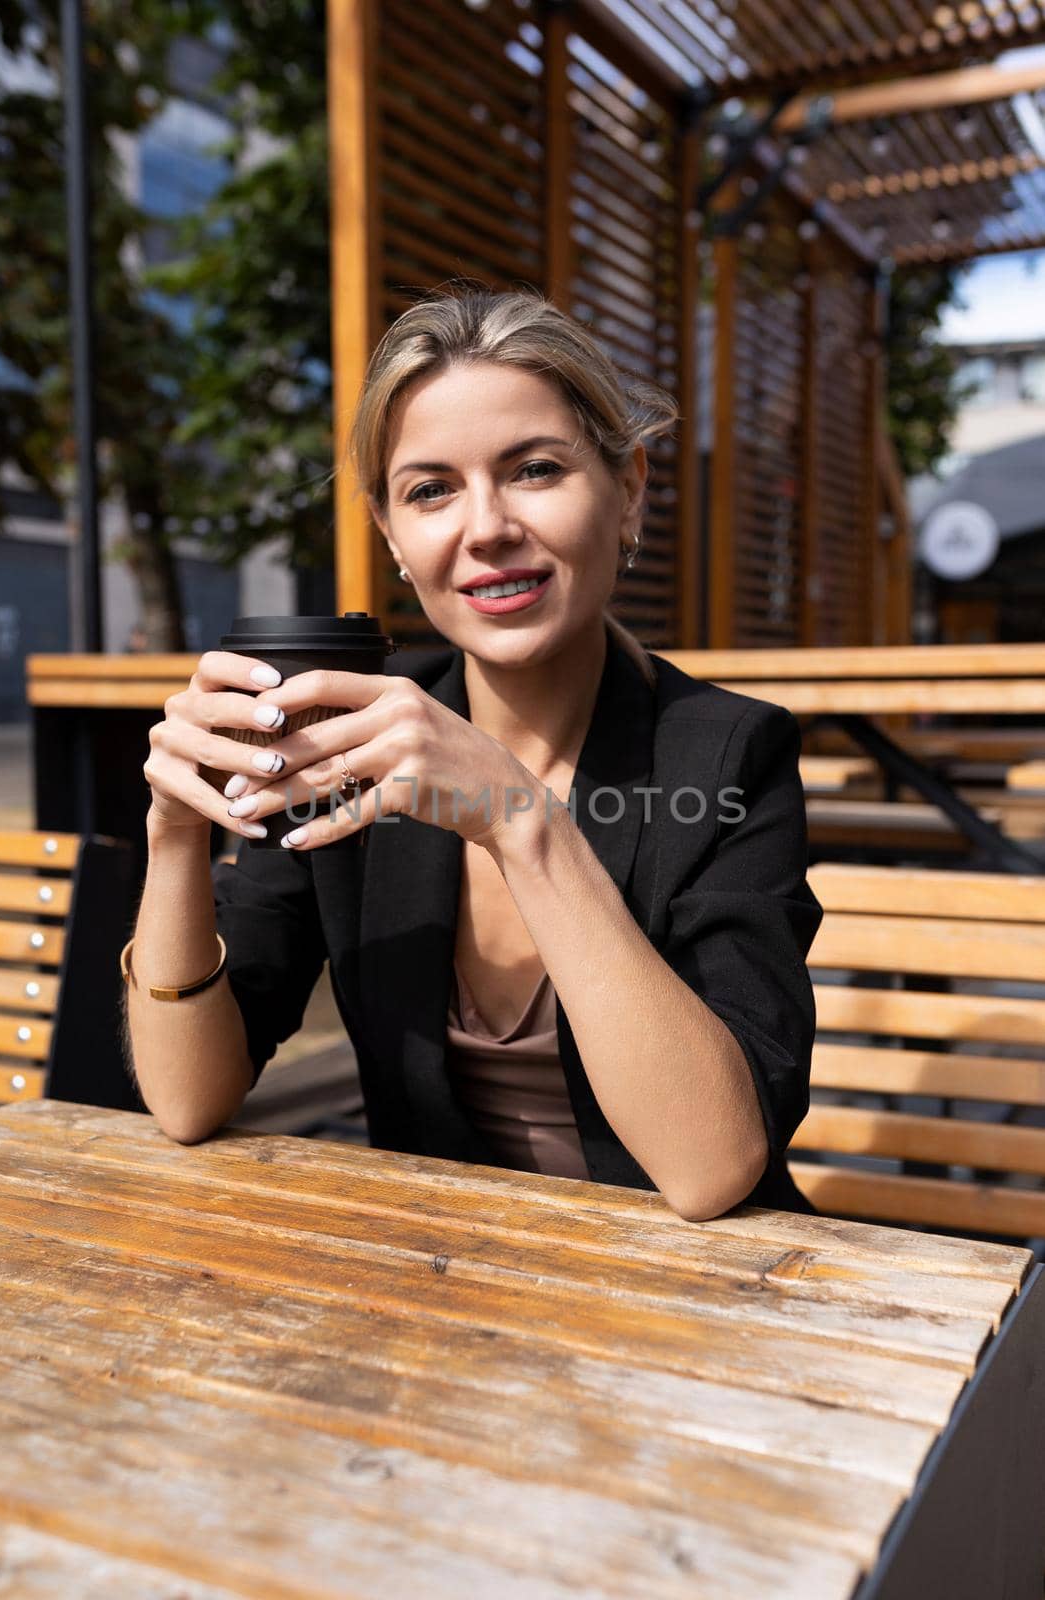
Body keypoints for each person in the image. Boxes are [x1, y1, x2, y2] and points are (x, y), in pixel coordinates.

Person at [124, 285, 823, 1220]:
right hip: (442, 1291)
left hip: (696, 1298)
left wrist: (521, 822)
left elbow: (712, 1169)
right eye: (430, 490)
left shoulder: (730, 754)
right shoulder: (353, 740)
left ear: (628, 491)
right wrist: (173, 838)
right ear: (394, 539)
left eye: (534, 469)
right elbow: (186, 1099)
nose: (485, 527)